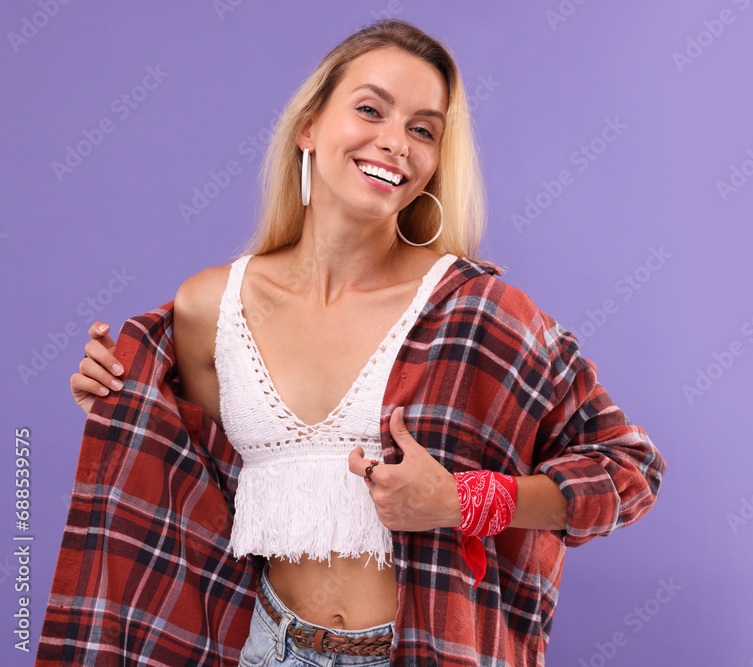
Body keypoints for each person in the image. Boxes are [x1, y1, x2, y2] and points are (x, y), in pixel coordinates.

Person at [52, 18, 665, 666]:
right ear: (309, 127)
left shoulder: (477, 313)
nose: (396, 142)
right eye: (371, 109)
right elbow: (195, 490)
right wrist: (124, 402)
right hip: (268, 647)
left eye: (423, 129)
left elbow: (630, 468)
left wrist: (466, 500)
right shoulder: (211, 306)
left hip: (422, 649)